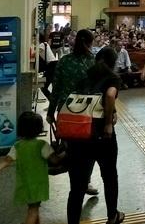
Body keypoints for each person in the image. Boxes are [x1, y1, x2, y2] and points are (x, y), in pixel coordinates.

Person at [65, 47, 124, 224]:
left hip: (79, 133)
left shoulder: (84, 76)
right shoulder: (112, 78)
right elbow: (110, 94)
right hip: (101, 135)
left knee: (77, 185)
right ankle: (112, 216)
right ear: (113, 63)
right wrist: (107, 123)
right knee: (109, 176)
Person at [46, 29, 99, 197]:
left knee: (70, 149)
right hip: (88, 111)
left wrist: (50, 111)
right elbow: (99, 89)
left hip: (66, 110)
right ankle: (86, 181)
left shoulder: (64, 61)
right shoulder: (93, 62)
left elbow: (56, 88)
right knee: (90, 149)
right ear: (90, 43)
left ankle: (76, 183)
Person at [0, 112, 55, 224]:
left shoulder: (18, 146)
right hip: (38, 185)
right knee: (33, 211)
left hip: (24, 184)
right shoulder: (42, 145)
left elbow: (6, 161)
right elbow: (55, 160)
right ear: (39, 128)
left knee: (34, 208)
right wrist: (67, 152)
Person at [37, 34, 58, 100]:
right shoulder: (45, 44)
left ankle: (52, 102)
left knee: (43, 86)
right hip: (54, 65)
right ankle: (53, 103)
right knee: (52, 86)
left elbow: (34, 54)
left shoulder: (41, 45)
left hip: (51, 66)